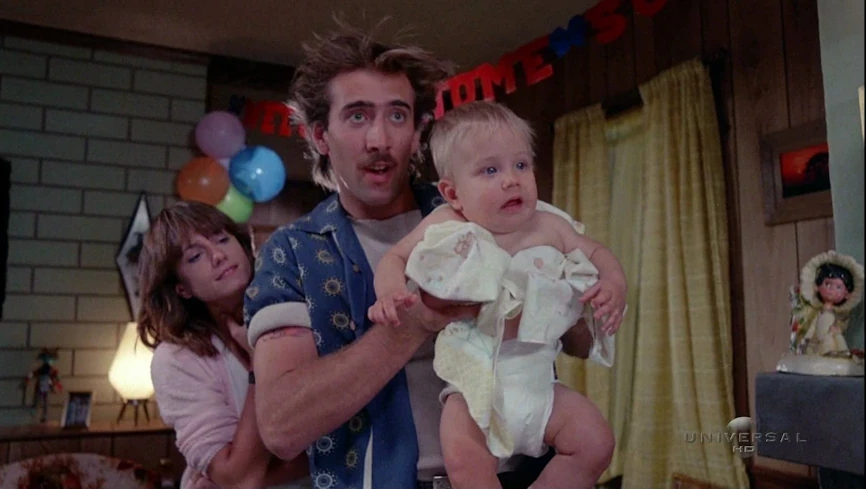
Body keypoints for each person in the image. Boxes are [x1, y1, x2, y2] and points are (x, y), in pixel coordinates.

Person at [243, 20, 616, 489]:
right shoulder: (293, 254)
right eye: (357, 116)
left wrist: (566, 292)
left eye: (397, 116)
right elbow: (281, 428)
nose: (380, 139)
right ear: (320, 136)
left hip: (527, 470)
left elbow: (579, 341)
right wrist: (414, 322)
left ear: (418, 131)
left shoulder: (483, 206)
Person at [368, 101, 622, 489]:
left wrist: (613, 283)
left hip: (539, 384)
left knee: (596, 443)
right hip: (475, 388)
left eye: (520, 165)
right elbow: (396, 257)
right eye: (490, 170)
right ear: (453, 193)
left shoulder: (549, 225)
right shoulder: (448, 225)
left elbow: (598, 252)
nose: (511, 180)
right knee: (464, 461)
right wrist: (390, 293)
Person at [138, 201, 310, 489]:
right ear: (182, 288)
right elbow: (238, 476)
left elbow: (342, 439)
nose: (218, 255)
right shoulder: (177, 360)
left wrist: (243, 478)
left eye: (222, 239)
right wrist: (258, 364)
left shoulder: (298, 310)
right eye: (195, 256)